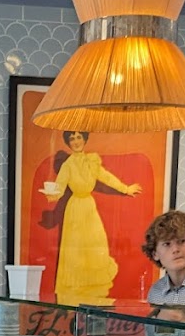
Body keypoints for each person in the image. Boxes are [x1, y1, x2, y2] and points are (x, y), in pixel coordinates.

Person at [45, 130, 142, 306]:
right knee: (76, 249)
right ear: (68, 143)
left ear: (84, 139)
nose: (76, 141)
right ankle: (76, 294)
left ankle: (94, 291)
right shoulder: (68, 165)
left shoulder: (92, 161)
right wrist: (51, 195)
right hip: (75, 209)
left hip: (89, 207)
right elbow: (59, 188)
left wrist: (126, 189)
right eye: (72, 138)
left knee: (97, 243)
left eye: (78, 137)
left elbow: (106, 177)